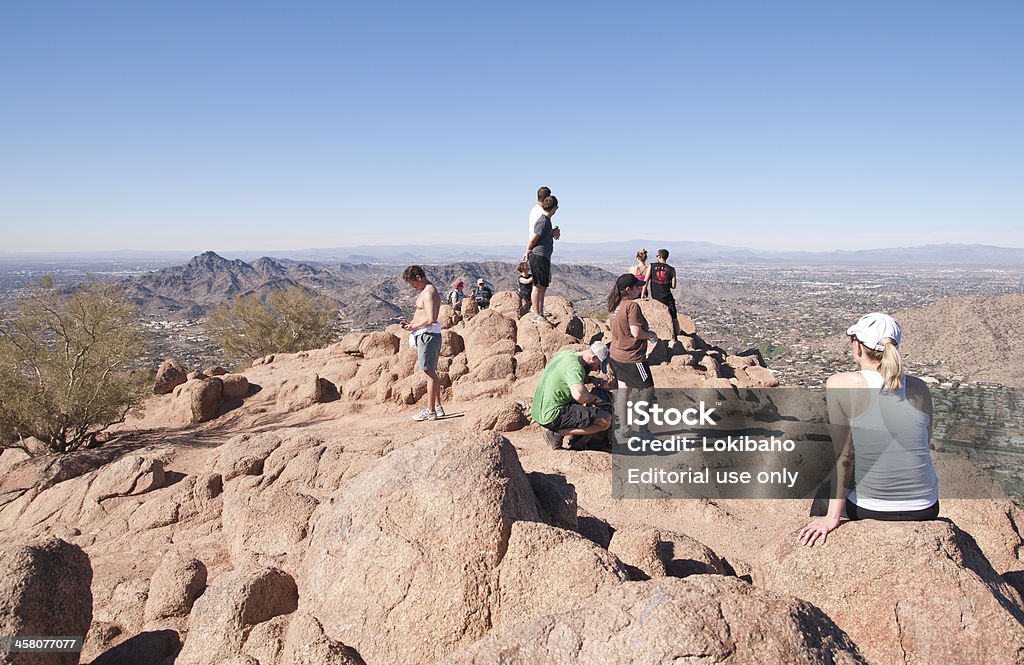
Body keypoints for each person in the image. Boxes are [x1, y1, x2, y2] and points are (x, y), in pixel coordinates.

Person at [799, 313, 940, 546]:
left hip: (870, 508)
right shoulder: (919, 388)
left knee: (825, 488)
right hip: (925, 507)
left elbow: (844, 454)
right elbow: (924, 443)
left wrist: (832, 517)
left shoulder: (839, 383)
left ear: (857, 347)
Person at [531, 341, 614, 450]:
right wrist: (595, 399)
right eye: (598, 365)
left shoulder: (567, 355)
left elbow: (570, 376)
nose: (596, 369)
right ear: (593, 358)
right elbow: (579, 395)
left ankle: (569, 435)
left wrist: (591, 379)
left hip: (538, 410)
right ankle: (558, 433)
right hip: (552, 414)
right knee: (605, 420)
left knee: (585, 407)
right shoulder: (575, 368)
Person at [607, 273, 658, 440]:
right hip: (633, 357)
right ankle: (643, 430)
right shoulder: (632, 306)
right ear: (628, 289)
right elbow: (636, 333)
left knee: (624, 389)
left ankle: (624, 428)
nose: (640, 288)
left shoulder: (614, 305)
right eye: (637, 287)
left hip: (616, 355)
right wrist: (650, 334)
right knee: (648, 390)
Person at [400, 265, 445, 421]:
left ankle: (430, 410)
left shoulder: (429, 292)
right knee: (430, 372)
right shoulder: (425, 292)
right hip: (424, 334)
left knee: (429, 373)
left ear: (419, 278)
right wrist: (411, 324)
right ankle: (437, 407)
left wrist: (414, 326)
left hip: (428, 335)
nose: (412, 287)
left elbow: (431, 319)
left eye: (413, 283)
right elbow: (422, 315)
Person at [522, 195, 559, 324]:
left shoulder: (546, 221)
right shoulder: (542, 221)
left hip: (544, 256)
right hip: (538, 256)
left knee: (543, 286)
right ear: (555, 208)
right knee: (537, 286)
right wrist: (527, 251)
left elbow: (541, 236)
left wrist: (552, 233)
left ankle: (541, 312)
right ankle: (537, 314)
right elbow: (534, 238)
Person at [648, 248, 679, 337]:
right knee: (673, 317)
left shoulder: (652, 266)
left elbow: (646, 280)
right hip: (667, 297)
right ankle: (677, 335)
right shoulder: (671, 269)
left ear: (660, 256)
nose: (657, 257)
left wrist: (643, 293)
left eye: (657, 256)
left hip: (656, 296)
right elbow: (673, 286)